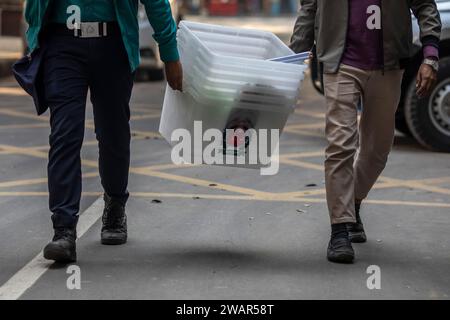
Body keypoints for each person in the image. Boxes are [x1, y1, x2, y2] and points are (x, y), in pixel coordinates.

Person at [24, 0, 183, 263]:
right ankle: (63, 229)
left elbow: (156, 2)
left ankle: (115, 205)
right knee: (64, 133)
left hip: (113, 44)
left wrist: (169, 53)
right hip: (62, 44)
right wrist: (35, 38)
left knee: (113, 133)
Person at [290, 0, 441, 263]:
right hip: (340, 63)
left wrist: (430, 56)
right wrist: (292, 58)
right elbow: (310, 10)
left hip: (389, 66)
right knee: (340, 145)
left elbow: (425, 6)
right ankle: (339, 229)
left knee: (377, 150)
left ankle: (354, 202)